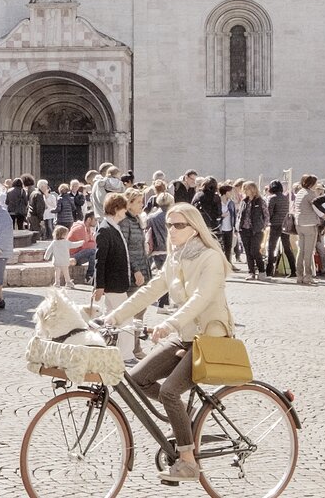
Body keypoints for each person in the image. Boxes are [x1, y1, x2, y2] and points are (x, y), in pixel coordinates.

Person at [95, 202, 233, 484]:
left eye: (178, 225)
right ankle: (183, 418)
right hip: (185, 337)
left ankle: (188, 461)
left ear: (195, 229)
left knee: (169, 391)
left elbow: (201, 298)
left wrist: (170, 323)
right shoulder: (174, 259)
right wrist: (113, 317)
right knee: (137, 379)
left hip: (210, 337)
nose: (171, 230)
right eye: (169, 225)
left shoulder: (211, 258)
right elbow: (149, 291)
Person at [91, 194, 138, 359]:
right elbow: (100, 260)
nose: (126, 211)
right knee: (125, 318)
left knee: (111, 318)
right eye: (124, 208)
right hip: (113, 283)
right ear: (117, 209)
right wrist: (99, 286)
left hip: (116, 282)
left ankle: (107, 349)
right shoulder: (105, 229)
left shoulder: (112, 227)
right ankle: (126, 353)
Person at [292, 175, 324, 285]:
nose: (316, 185)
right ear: (311, 184)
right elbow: (316, 208)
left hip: (299, 224)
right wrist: (324, 216)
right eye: (315, 183)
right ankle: (308, 276)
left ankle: (299, 275)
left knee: (301, 250)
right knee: (309, 252)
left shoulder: (300, 193)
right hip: (310, 224)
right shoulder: (311, 194)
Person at [236, 181, 267, 280]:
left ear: (253, 189)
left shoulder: (260, 201)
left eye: (247, 189)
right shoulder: (244, 201)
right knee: (248, 252)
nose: (245, 191)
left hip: (256, 230)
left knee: (255, 251)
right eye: (244, 189)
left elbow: (266, 215)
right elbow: (240, 215)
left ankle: (262, 271)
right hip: (244, 229)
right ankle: (251, 272)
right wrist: (238, 226)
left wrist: (263, 226)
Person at [265, 181, 295, 278]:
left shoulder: (272, 198)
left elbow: (269, 213)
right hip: (285, 225)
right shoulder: (285, 198)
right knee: (287, 248)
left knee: (271, 248)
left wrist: (267, 222)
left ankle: (269, 271)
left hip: (275, 225)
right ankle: (293, 270)